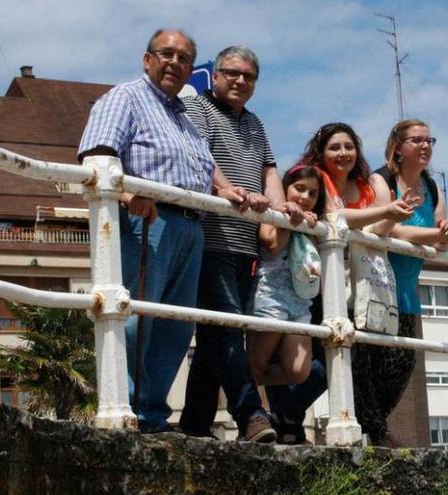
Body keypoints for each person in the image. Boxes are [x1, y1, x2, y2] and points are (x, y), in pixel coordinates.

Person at [77, 29, 247, 434]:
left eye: (184, 58)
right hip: (146, 221)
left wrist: (225, 189)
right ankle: (127, 410)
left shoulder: (184, 117)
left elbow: (204, 167)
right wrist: (129, 191)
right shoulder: (126, 97)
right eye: (166, 54)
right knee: (136, 318)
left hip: (190, 226)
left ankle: (152, 414)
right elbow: (98, 153)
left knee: (175, 326)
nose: (175, 62)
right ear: (147, 59)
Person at [177, 46, 305, 443]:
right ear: (215, 75)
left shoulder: (255, 123)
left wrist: (281, 205)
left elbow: (268, 168)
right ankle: (250, 414)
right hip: (211, 236)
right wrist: (226, 187)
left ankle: (195, 423)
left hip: (246, 244)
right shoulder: (198, 109)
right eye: (232, 73)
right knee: (227, 325)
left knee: (218, 331)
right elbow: (200, 154)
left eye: (248, 76)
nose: (240, 81)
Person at [266, 122, 416, 444]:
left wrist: (392, 213)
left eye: (349, 146)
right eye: (334, 147)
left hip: (355, 284)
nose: (343, 153)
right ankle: (286, 422)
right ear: (321, 151)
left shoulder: (365, 185)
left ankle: (287, 420)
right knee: (310, 355)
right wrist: (385, 210)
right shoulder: (313, 180)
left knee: (343, 352)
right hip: (311, 278)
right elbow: (334, 219)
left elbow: (379, 229)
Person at [355, 119, 448, 447]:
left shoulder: (432, 189)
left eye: (429, 140)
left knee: (401, 367)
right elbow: (386, 227)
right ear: (397, 148)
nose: (425, 146)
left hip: (407, 293)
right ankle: (376, 435)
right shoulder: (383, 180)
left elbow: (441, 237)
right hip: (377, 287)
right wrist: (437, 235)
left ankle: (374, 433)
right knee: (369, 368)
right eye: (416, 140)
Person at [247, 165, 324, 400]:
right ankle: (248, 408)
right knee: (256, 364)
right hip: (271, 295)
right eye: (299, 189)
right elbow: (271, 243)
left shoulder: (313, 222)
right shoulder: (274, 212)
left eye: (313, 193)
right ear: (285, 188)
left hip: (300, 300)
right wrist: (289, 221)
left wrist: (305, 225)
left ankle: (237, 380)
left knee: (299, 370)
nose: (305, 197)